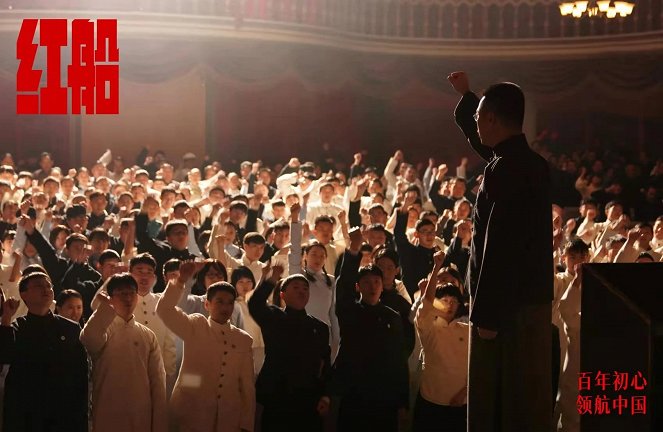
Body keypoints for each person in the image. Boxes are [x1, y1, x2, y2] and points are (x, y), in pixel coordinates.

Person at [448, 71, 553, 431]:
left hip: (508, 311)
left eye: (479, 117)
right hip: (527, 304)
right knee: (525, 400)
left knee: (502, 406)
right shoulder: (528, 163)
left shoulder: (505, 170)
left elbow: (500, 248)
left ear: (491, 118)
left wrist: (488, 318)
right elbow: (490, 150)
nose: (476, 124)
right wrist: (467, 98)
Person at [324, 228, 409, 432]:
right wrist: (354, 250)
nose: (372, 287)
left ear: (383, 286)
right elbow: (344, 284)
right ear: (358, 287)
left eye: (376, 282)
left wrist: (403, 401)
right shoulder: (348, 310)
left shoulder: (393, 316)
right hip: (353, 391)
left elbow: (400, 360)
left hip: (384, 395)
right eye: (367, 282)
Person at [157, 261, 255, 432]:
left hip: (228, 418)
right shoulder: (196, 325)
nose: (225, 307)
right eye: (220, 301)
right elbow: (164, 310)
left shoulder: (243, 339)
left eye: (229, 302)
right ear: (207, 304)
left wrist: (246, 424)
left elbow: (246, 386)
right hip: (191, 413)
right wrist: (181, 280)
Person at [0, 272, 88, 432]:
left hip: (63, 412)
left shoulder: (70, 328)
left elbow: (81, 375)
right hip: (27, 414)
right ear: (23, 294)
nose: (46, 289)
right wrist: (6, 318)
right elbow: (4, 356)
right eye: (39, 286)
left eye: (49, 285)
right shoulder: (16, 328)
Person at [248, 263, 331, 432]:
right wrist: (271, 278)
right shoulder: (274, 317)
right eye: (295, 287)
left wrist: (325, 395)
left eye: (305, 288)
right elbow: (255, 304)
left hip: (309, 398)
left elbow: (325, 364)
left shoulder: (320, 327)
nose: (301, 291)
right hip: (277, 397)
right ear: (282, 294)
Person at [80, 273, 167, 432]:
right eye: (121, 293)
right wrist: (104, 308)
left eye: (131, 293)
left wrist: (159, 422)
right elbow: (89, 339)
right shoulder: (104, 327)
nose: (127, 298)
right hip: (108, 411)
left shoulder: (147, 335)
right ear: (111, 297)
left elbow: (158, 383)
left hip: (141, 414)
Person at [414, 251, 469, 432]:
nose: (450, 304)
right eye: (445, 300)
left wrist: (464, 393)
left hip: (460, 404)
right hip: (431, 401)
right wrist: (437, 266)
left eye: (454, 301)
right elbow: (428, 302)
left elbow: (476, 366)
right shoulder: (428, 327)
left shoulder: (467, 330)